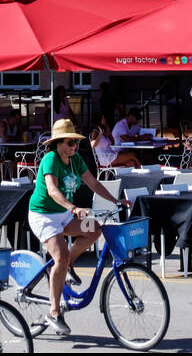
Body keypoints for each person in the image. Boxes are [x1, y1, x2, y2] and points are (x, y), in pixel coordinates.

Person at [27, 118, 121, 336]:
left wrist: (116, 201)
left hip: (64, 215)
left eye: (75, 143)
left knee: (95, 229)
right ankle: (54, 311)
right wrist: (73, 207)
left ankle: (67, 265)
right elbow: (52, 190)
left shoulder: (76, 159)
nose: (74, 147)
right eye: (70, 143)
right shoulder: (50, 160)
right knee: (59, 256)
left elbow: (93, 183)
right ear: (58, 143)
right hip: (44, 217)